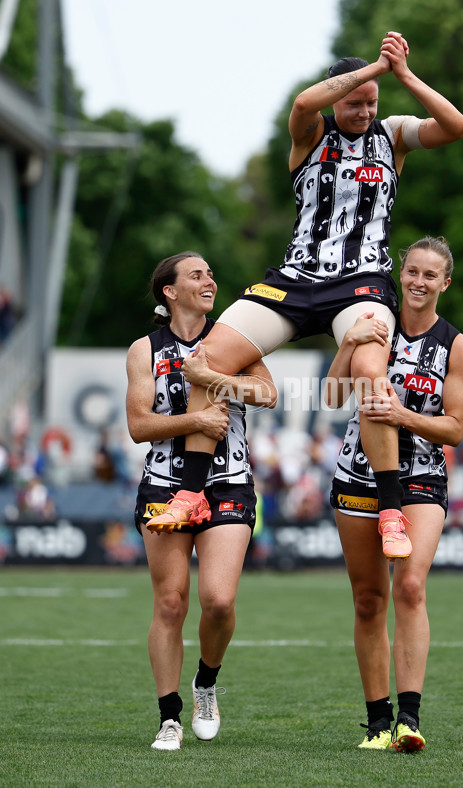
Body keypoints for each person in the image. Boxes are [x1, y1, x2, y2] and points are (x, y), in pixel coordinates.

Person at [146, 31, 463, 555]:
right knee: (208, 359)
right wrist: (371, 72)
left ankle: (390, 510)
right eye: (354, 101)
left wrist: (403, 75)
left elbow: (456, 127)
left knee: (369, 377)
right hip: (295, 279)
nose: (365, 111)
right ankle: (190, 492)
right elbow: (301, 101)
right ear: (336, 93)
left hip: (360, 282)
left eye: (371, 103)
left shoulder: (392, 135)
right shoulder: (310, 132)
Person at [326, 236, 463, 751]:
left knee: (410, 586)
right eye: (412, 271)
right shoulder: (372, 325)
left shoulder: (457, 346)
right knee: (369, 599)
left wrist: (403, 416)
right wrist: (349, 341)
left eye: (430, 275)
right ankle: (376, 722)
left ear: (445, 283)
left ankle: (409, 720)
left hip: (420, 478)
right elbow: (331, 396)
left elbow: (455, 429)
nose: (418, 282)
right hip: (357, 474)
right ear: (400, 272)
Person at [126, 251, 277, 751]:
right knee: (170, 603)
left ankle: (206, 683)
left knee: (219, 600)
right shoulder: (143, 349)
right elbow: (139, 426)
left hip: (230, 482)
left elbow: (266, 393)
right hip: (164, 485)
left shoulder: (234, 339)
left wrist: (212, 378)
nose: (209, 280)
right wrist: (194, 420)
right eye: (196, 275)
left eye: (211, 273)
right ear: (169, 292)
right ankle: (169, 717)